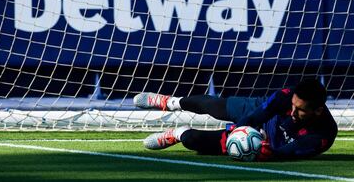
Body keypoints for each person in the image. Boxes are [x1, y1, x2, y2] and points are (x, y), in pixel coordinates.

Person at [133, 79, 338, 161]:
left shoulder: (322, 136)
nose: (292, 111)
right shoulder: (287, 94)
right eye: (292, 105)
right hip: (260, 114)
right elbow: (256, 116)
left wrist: (258, 148)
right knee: (215, 107)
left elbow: (284, 154)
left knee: (191, 141)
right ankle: (170, 102)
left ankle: (176, 133)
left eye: (300, 110)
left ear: (318, 111)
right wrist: (239, 130)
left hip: (267, 144)